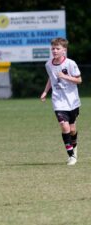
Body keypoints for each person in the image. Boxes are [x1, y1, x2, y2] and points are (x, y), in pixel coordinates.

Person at [40, 37, 82, 165]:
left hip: (72, 100)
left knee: (72, 129)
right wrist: (45, 91)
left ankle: (74, 147)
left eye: (57, 48)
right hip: (58, 100)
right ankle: (71, 156)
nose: (54, 51)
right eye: (53, 48)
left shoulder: (70, 63)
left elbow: (79, 80)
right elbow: (51, 78)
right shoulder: (48, 64)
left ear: (64, 50)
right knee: (64, 126)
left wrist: (65, 76)